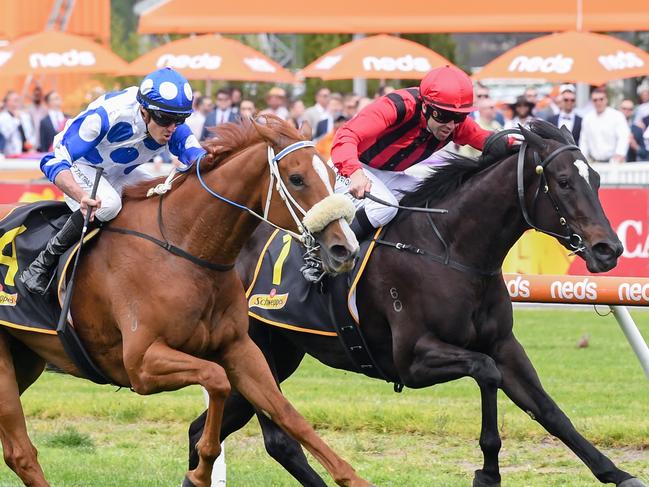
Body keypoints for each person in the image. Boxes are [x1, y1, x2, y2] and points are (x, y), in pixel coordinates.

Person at [19, 67, 206, 294]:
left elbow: (199, 159)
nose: (172, 128)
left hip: (121, 172)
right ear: (144, 112)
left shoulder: (170, 122)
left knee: (163, 196)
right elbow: (52, 160)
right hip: (82, 165)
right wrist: (81, 196)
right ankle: (42, 263)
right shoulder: (107, 115)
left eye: (180, 120)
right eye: (166, 120)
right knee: (107, 205)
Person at [330, 65, 507, 243]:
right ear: (425, 107)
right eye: (444, 115)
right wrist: (355, 172)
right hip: (349, 169)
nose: (451, 125)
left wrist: (527, 143)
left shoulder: (453, 124)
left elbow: (490, 141)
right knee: (384, 208)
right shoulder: (396, 106)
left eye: (459, 117)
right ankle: (327, 253)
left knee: (439, 198)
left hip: (389, 175)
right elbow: (346, 136)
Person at [579, 88, 629, 163]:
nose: (598, 102)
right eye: (595, 100)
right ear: (592, 102)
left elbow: (623, 137)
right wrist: (582, 158)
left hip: (614, 162)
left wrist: (620, 153)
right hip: (593, 162)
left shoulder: (617, 116)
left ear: (606, 100)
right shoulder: (587, 118)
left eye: (601, 99)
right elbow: (584, 140)